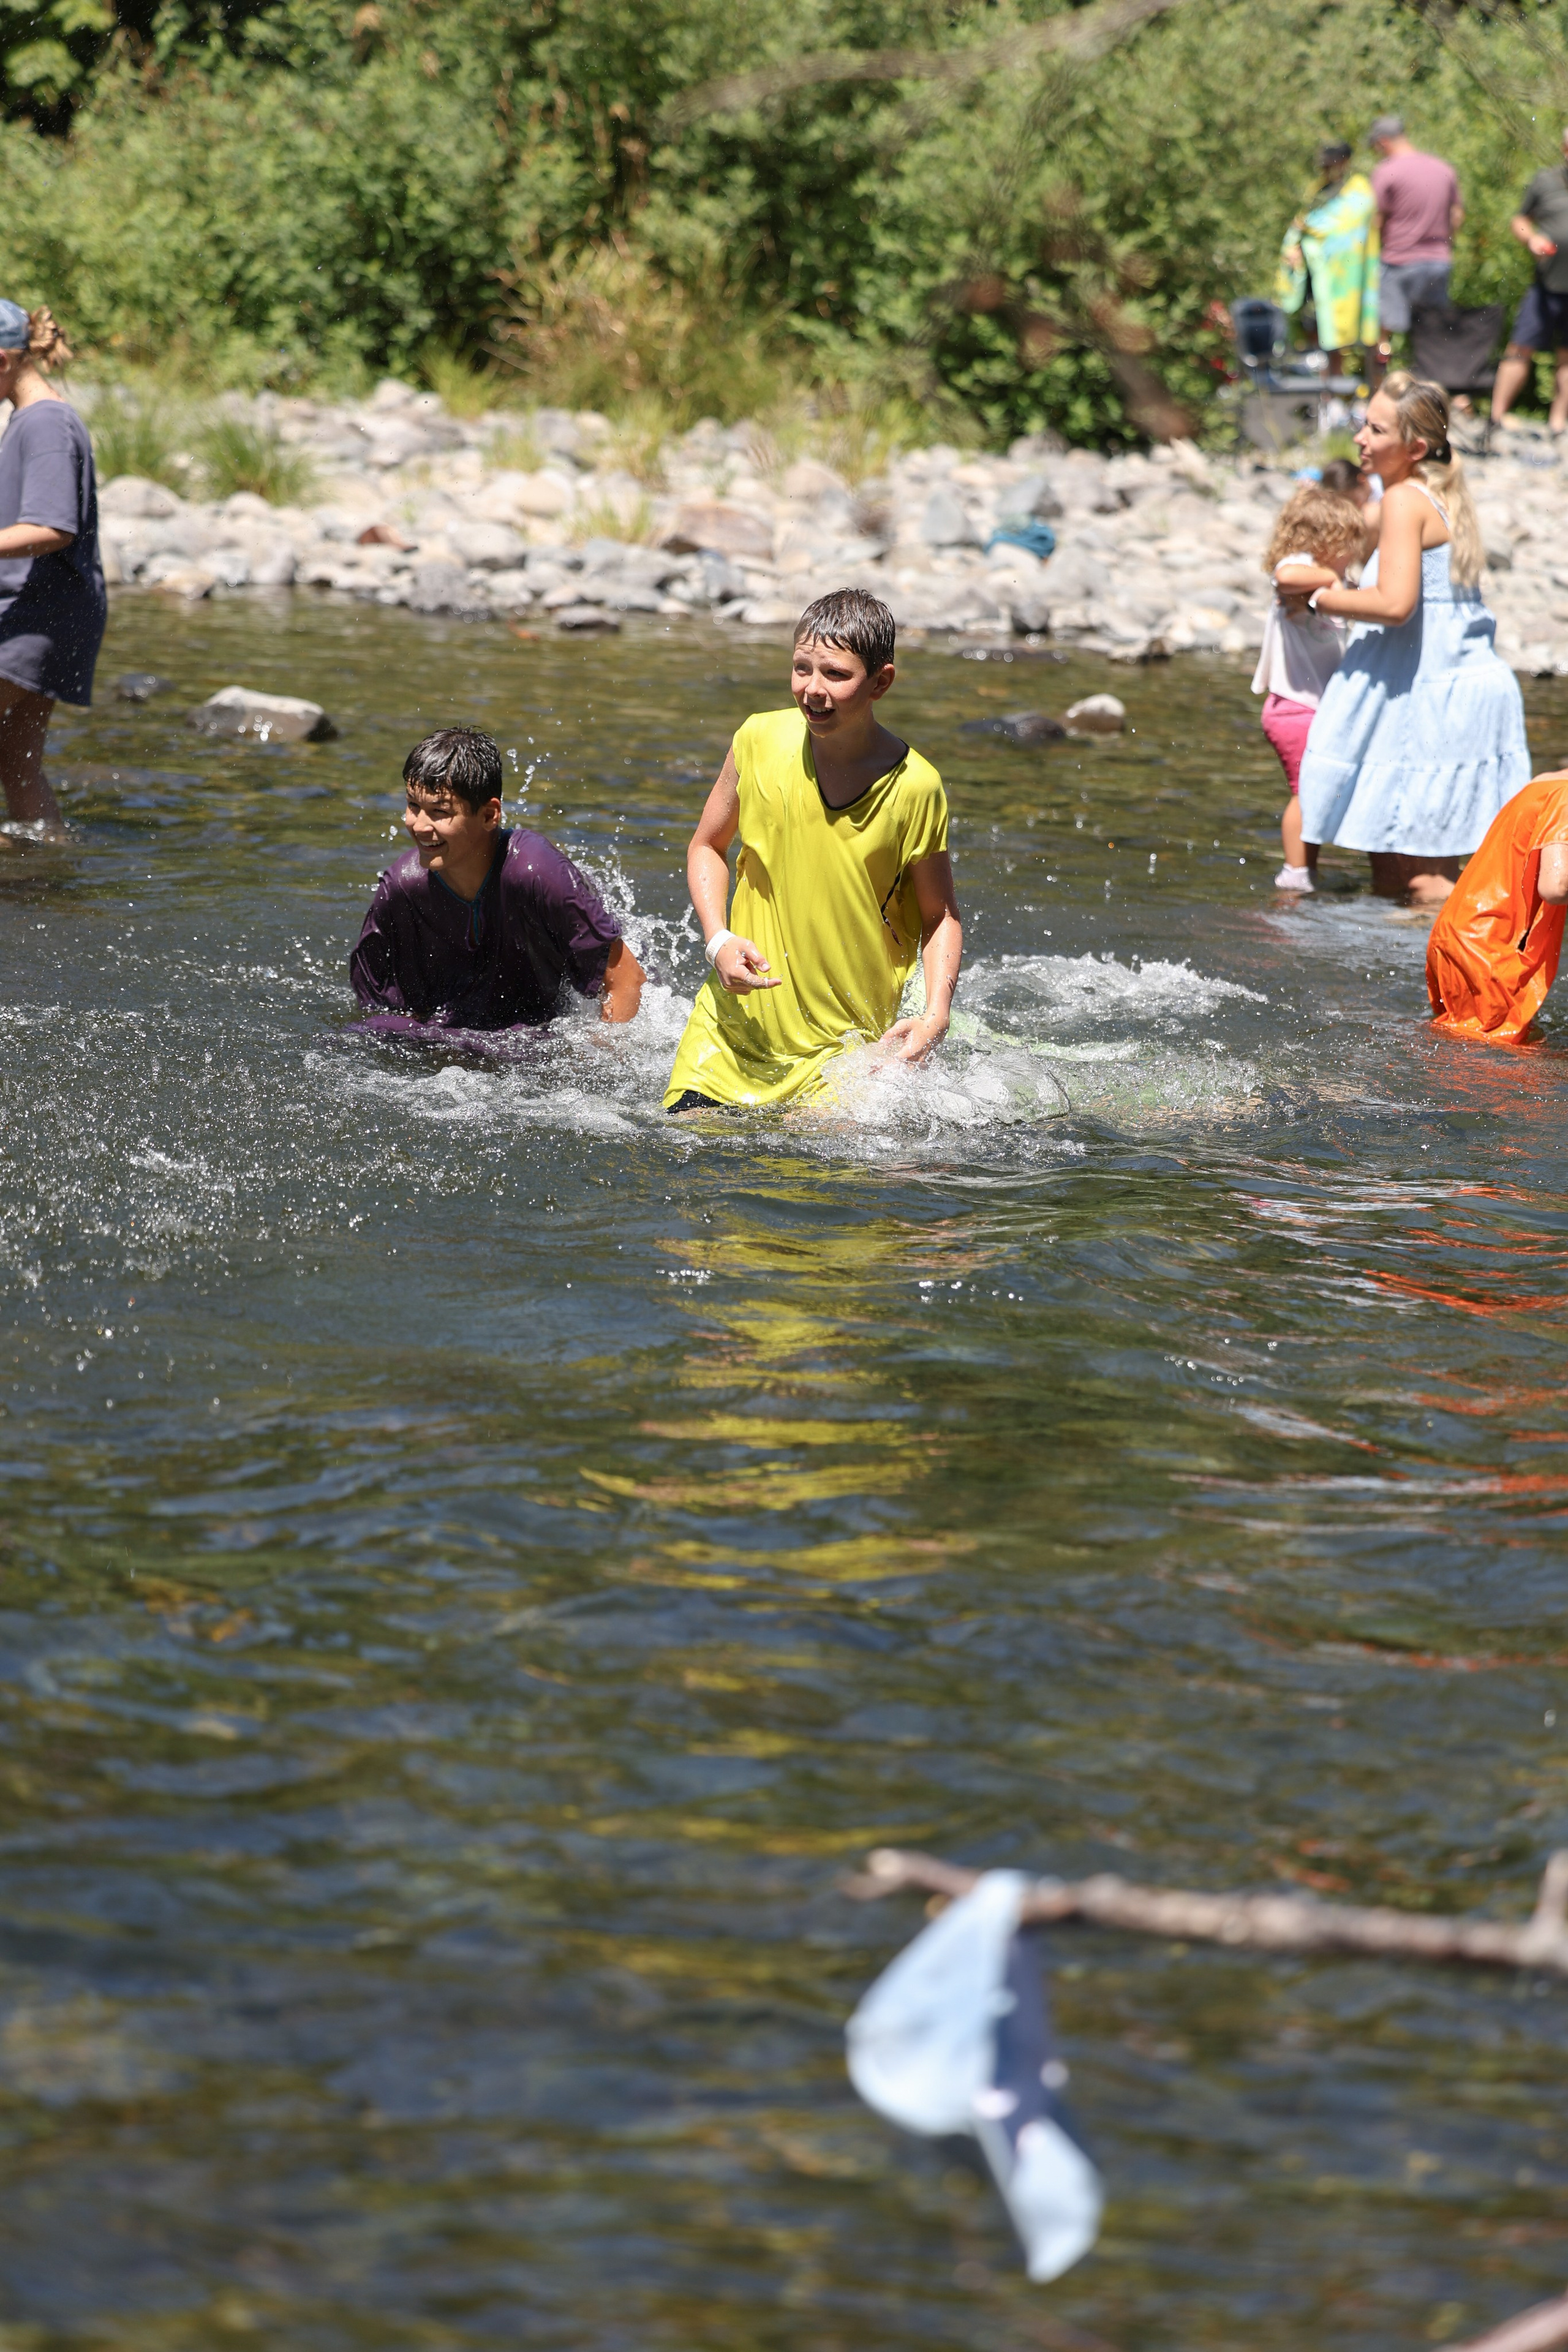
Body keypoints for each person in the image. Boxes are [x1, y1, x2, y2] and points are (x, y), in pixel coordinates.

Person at [663, 588, 962, 1112]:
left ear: (881, 682)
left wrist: (937, 1015)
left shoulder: (916, 787)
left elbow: (940, 917)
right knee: (692, 1169)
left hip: (844, 1055)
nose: (812, 690)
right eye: (802, 669)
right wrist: (718, 941)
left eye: (836, 675)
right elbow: (706, 846)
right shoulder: (758, 738)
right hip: (731, 1034)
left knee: (822, 1186)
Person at [1293, 372, 1530, 905]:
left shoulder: (1405, 501)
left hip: (1432, 702)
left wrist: (1324, 598)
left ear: (1415, 447)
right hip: (1451, 691)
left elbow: (1395, 606)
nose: (1359, 439)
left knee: (1424, 882)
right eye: (1362, 425)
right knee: (1396, 873)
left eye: (1375, 430)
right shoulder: (1437, 492)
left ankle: (1465, 974)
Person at [350, 726, 645, 1033]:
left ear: (490, 815)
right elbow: (377, 1007)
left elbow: (627, 980)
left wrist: (599, 1059)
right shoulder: (402, 889)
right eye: (413, 806)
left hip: (553, 1023)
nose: (419, 826)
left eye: (439, 811)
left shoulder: (537, 872)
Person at [0, 300, 104, 845]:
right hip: (50, 614)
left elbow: (52, 527)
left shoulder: (44, 422)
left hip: (36, 618)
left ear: (2, 361)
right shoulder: (34, 420)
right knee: (17, 764)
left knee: (17, 761)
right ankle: (45, 879)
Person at [1251, 483, 1365, 892]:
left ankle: (1307, 869)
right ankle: (1295, 874)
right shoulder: (1298, 571)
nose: (1352, 554)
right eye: (1348, 544)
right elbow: (1285, 574)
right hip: (1294, 708)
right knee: (1305, 791)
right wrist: (1333, 581)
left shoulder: (1317, 584)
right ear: (1325, 540)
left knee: (1314, 790)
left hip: (1305, 708)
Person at [1426, 770, 1568, 1040]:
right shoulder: (1566, 799)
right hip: (1489, 949)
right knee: (1495, 1064)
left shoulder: (1546, 783)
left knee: (1464, 1044)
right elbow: (1555, 886)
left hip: (1461, 934)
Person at [1489, 124, 1568, 438]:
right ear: (1565, 150)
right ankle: (1496, 417)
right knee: (1520, 347)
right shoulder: (1546, 181)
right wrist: (1532, 239)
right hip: (1546, 284)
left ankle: (1558, 425)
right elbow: (1519, 221)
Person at [1276, 141, 1380, 372]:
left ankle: (1336, 388)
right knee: (1312, 328)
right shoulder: (1318, 189)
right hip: (1313, 275)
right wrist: (1296, 243)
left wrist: (1311, 230)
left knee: (1338, 338)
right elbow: (1303, 220)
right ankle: (1320, 388)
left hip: (1342, 277)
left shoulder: (1358, 189)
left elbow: (1346, 224)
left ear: (1345, 162)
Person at [1368, 115, 1462, 367]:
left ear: (1384, 142)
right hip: (1438, 262)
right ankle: (1435, 391)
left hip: (1398, 262)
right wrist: (1446, 245)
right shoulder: (1443, 168)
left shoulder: (1386, 171)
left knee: (1383, 330)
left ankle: (1380, 390)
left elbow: (1375, 219)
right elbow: (1456, 215)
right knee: (1433, 333)